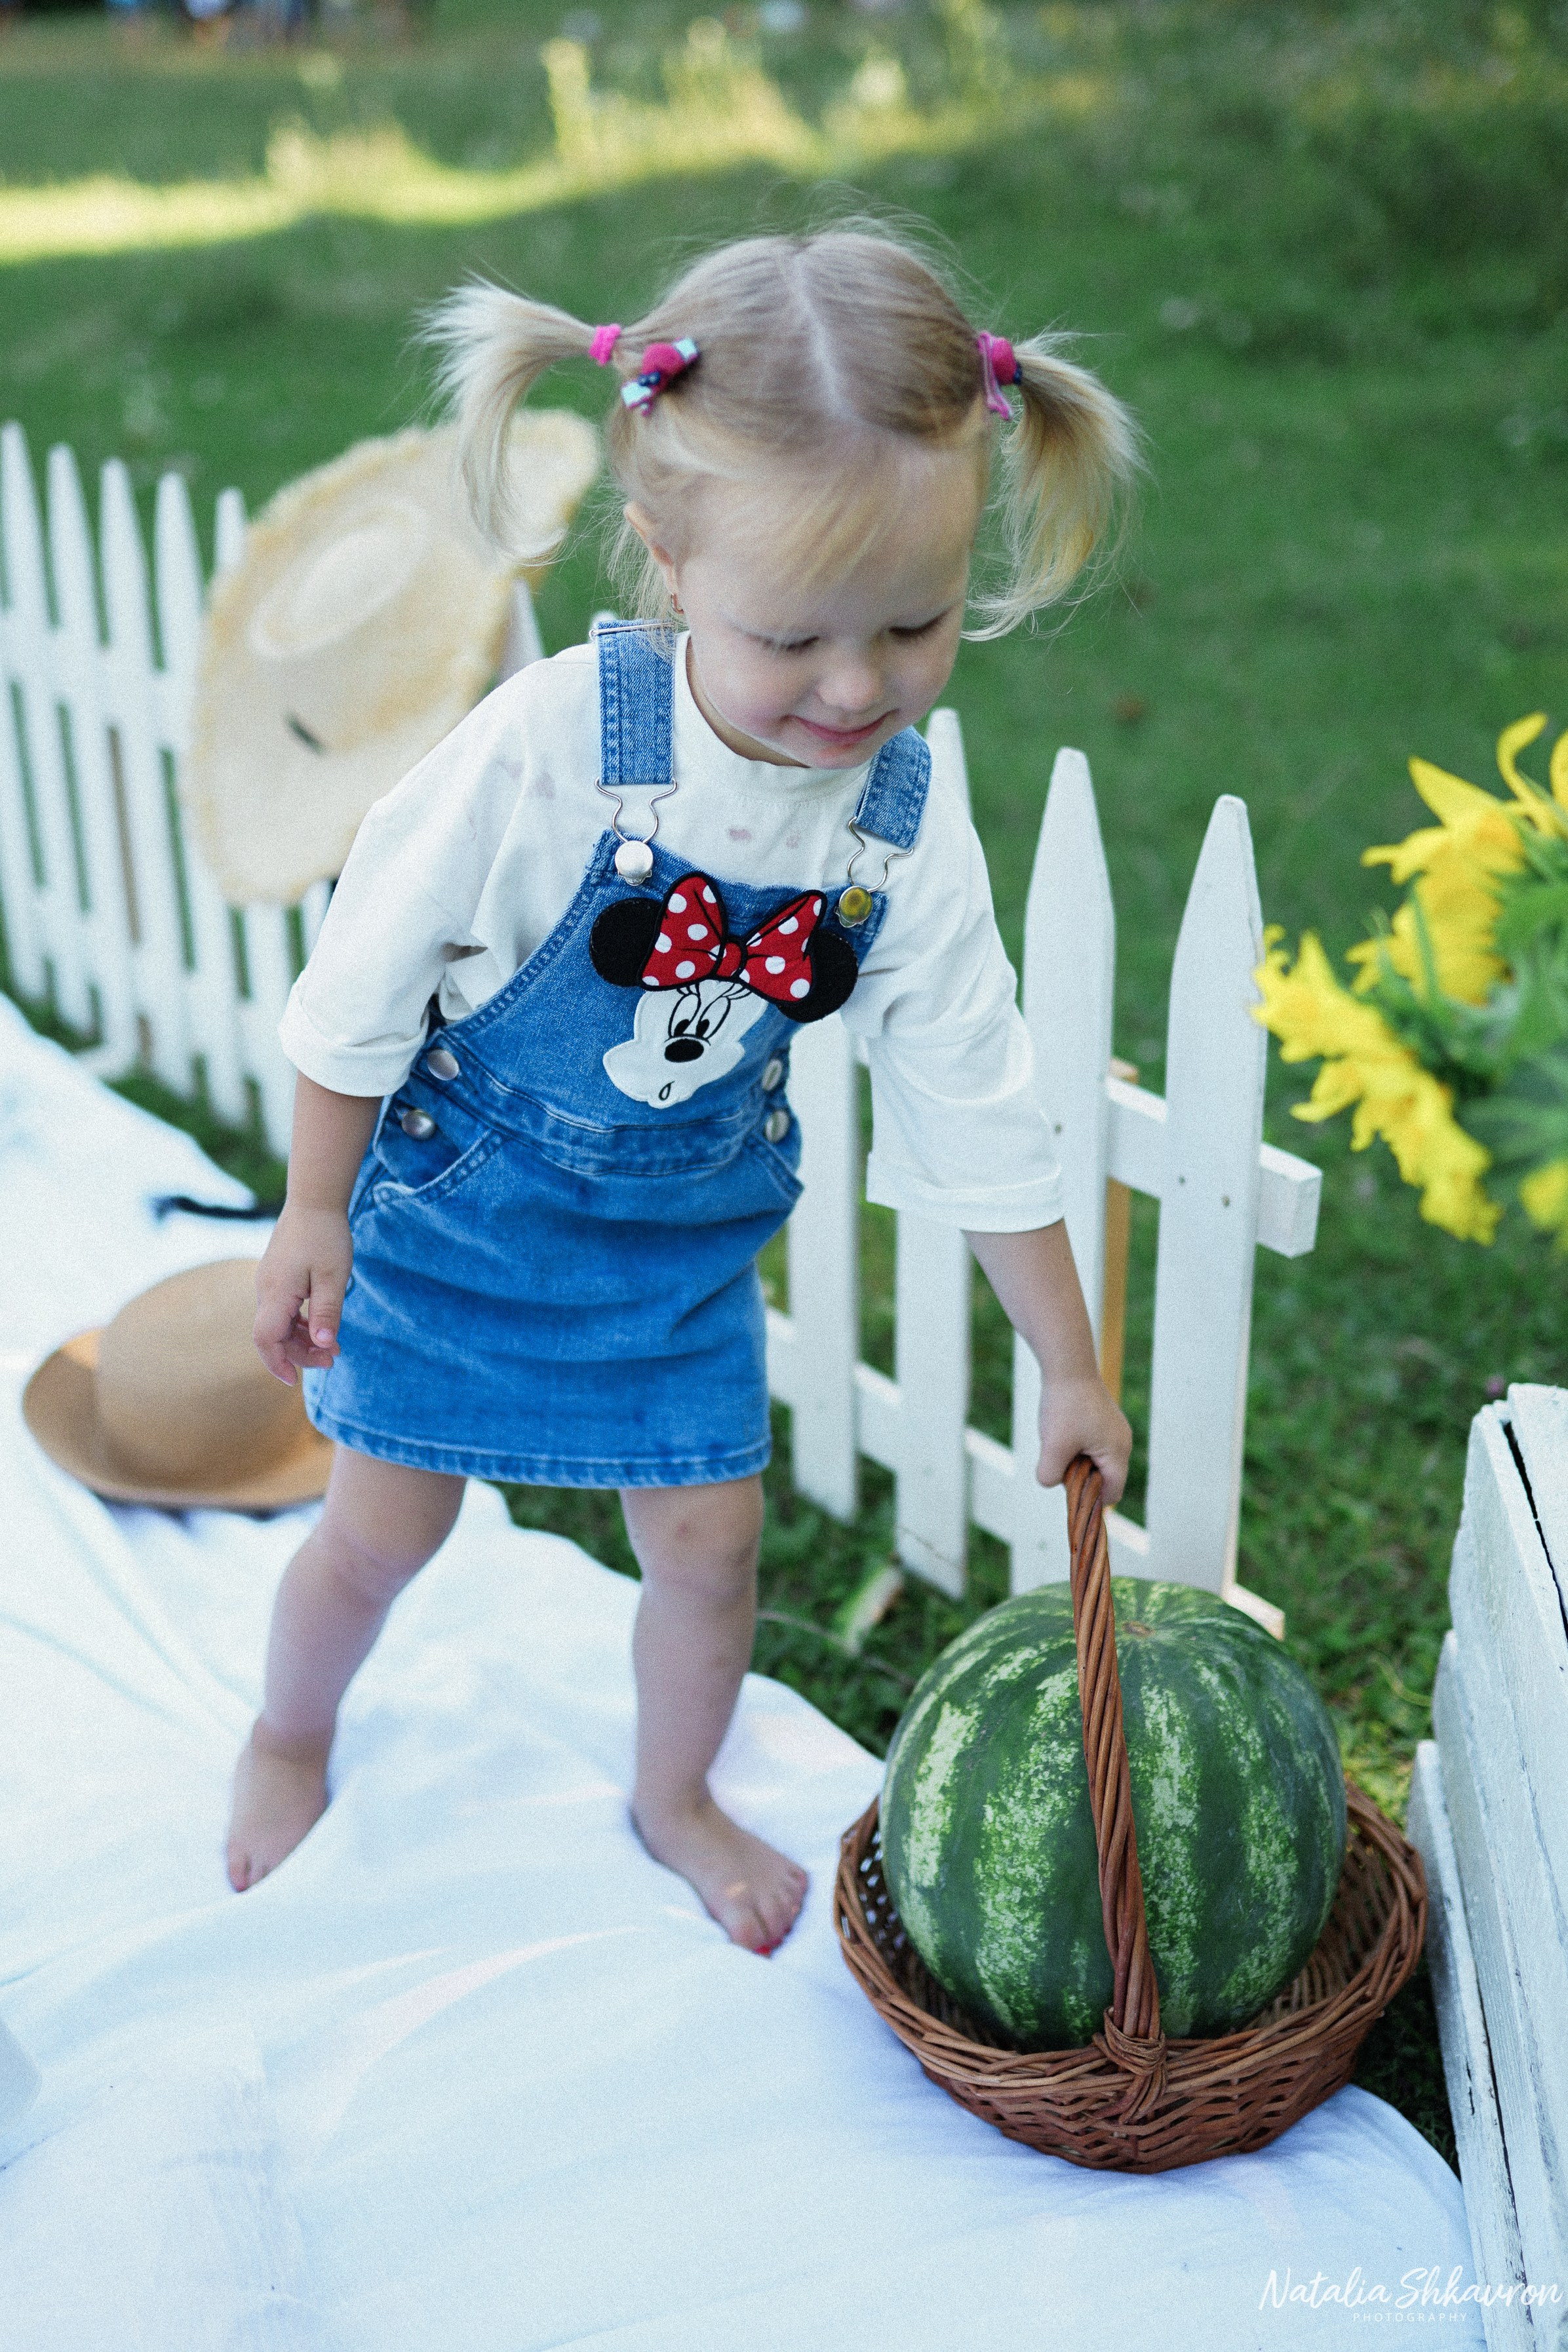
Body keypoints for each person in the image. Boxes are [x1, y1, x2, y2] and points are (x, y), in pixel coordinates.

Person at [229, 225, 1137, 1955]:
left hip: (674, 1254)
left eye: (918, 622)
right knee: (376, 1532)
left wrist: (1071, 1359)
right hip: (458, 1219)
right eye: (794, 634)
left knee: (714, 1547)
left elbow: (973, 1090)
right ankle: (287, 1729)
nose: (859, 684)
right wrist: (312, 1208)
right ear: (666, 552)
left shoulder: (898, 809)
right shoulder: (559, 742)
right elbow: (363, 980)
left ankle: (676, 1791)